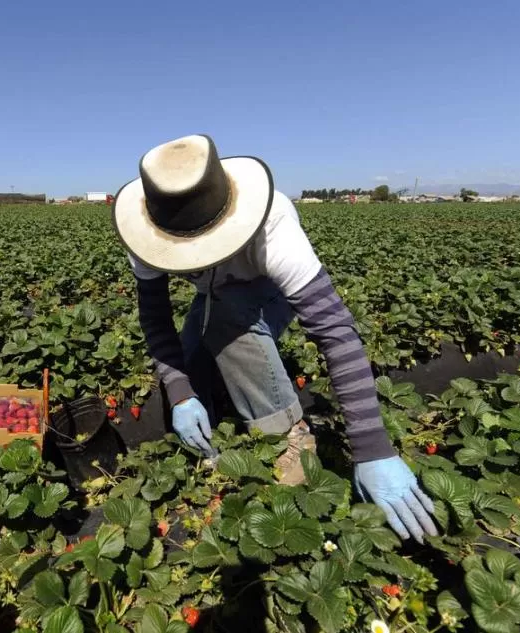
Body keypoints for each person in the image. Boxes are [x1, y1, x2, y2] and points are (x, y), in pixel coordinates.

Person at [112, 134, 438, 543]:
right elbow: (156, 319)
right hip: (213, 295)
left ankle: (289, 437)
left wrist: (372, 447)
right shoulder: (146, 236)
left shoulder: (271, 221)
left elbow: (334, 330)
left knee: (226, 327)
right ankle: (215, 428)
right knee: (193, 363)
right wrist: (179, 393)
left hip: (269, 293)